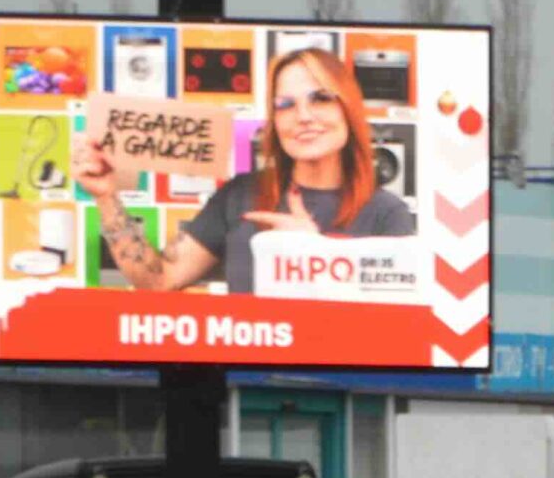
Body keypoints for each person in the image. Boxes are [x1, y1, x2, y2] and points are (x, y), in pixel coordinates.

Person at [75, 46, 413, 295]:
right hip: (248, 380)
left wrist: (314, 254)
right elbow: (159, 280)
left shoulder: (386, 214)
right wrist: (106, 197)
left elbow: (395, 328)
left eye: (321, 99)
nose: (304, 116)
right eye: (285, 105)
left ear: (348, 110)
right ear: (274, 121)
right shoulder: (241, 196)